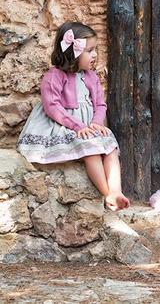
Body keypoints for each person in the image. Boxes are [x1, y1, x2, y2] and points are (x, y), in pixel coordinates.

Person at [17, 22, 130, 211]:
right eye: (90, 51)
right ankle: (107, 194)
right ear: (72, 53)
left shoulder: (91, 76)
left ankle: (117, 190)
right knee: (91, 151)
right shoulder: (55, 76)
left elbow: (100, 104)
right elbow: (52, 107)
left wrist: (96, 122)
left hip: (88, 125)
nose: (94, 55)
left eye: (95, 50)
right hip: (63, 124)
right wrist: (78, 126)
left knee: (111, 147)